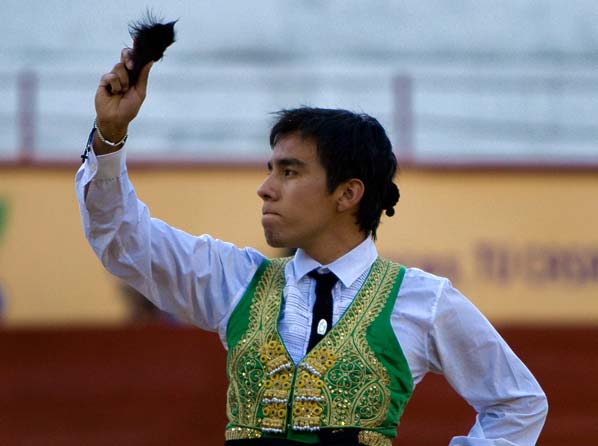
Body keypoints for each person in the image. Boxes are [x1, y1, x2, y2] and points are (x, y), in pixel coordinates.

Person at [76, 49, 547, 446]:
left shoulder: (423, 300)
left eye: (289, 172)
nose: (265, 188)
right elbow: (122, 239)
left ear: (347, 194)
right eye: (270, 169)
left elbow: (518, 403)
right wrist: (110, 135)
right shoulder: (235, 280)